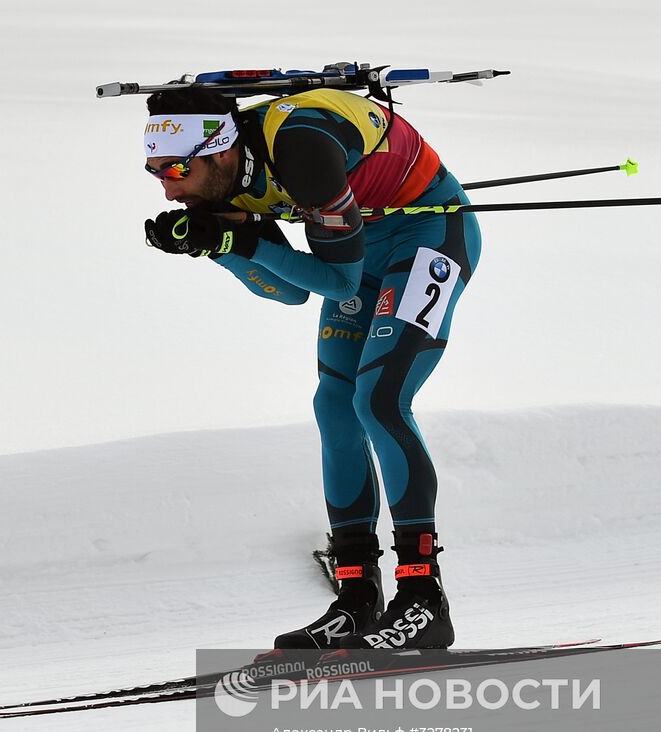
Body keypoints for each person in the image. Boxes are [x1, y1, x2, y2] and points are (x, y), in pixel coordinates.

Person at [141, 84, 482, 650]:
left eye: (177, 169)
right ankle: (356, 598)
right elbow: (285, 291)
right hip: (360, 250)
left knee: (379, 399)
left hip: (427, 235)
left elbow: (335, 281)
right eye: (154, 173)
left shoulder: (300, 148)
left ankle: (424, 598)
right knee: (335, 408)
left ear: (222, 152)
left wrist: (238, 242)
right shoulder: (217, 181)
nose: (168, 186)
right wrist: (220, 246)